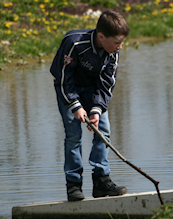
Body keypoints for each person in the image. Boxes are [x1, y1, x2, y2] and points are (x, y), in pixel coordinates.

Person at [50, 10, 129, 201]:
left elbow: (107, 83)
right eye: (117, 42)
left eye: (122, 42)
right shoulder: (74, 42)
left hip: (93, 91)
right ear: (101, 37)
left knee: (104, 130)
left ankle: (102, 181)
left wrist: (96, 110)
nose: (120, 47)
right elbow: (62, 77)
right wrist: (76, 106)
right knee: (73, 136)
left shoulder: (113, 52)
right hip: (69, 90)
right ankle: (73, 184)